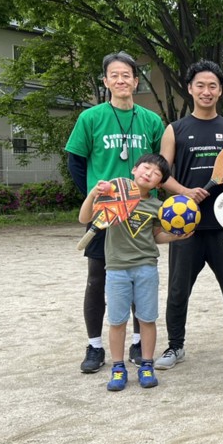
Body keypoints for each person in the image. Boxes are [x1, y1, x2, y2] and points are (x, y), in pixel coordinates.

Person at [66, 51, 164, 373]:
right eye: (114, 75)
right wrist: (97, 199)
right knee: (98, 278)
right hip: (105, 212)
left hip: (139, 212)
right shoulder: (90, 118)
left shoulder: (150, 120)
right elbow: (75, 162)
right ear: (106, 81)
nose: (121, 80)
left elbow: (160, 166)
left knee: (139, 276)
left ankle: (138, 343)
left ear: (136, 81)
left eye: (127, 75)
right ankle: (95, 346)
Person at [155, 60, 223, 369]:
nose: (206, 91)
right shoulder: (175, 129)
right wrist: (185, 191)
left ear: (221, 91)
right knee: (178, 290)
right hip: (185, 226)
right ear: (191, 89)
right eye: (200, 85)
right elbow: (161, 174)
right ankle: (174, 347)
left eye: (213, 86)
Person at [78, 154, 188, 390]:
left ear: (159, 184)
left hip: (146, 268)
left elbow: (157, 236)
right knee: (117, 321)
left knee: (147, 319)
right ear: (134, 170)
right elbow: (84, 218)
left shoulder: (158, 206)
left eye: (156, 173)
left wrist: (178, 235)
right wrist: (93, 194)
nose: (149, 173)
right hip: (117, 269)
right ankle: (118, 368)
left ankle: (146, 364)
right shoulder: (113, 195)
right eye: (146, 168)